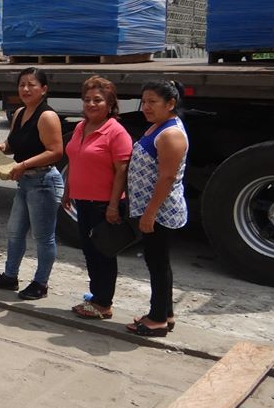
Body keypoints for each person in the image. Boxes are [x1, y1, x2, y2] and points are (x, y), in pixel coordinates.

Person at [0, 67, 64, 300]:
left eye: (31, 85)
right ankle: (10, 277)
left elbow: (56, 151)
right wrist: (3, 148)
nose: (26, 89)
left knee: (43, 237)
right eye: (22, 85)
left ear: (44, 89)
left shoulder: (47, 116)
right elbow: (14, 143)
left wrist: (24, 164)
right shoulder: (20, 113)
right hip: (25, 182)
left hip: (43, 182)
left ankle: (41, 283)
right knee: (15, 232)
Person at [62, 76, 132, 319]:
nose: (91, 104)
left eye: (98, 100)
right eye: (87, 99)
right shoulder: (81, 127)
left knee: (103, 253)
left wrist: (113, 205)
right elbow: (74, 160)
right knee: (90, 252)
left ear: (110, 104)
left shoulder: (116, 132)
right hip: (82, 201)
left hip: (103, 205)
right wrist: (67, 190)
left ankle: (104, 303)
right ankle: (96, 296)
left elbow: (122, 171)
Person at [125, 81, 188, 337]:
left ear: (170, 104)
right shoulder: (158, 126)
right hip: (151, 208)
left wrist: (150, 213)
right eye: (144, 101)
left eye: (153, 102)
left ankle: (157, 319)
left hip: (161, 211)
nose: (146, 107)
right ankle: (165, 313)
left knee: (158, 263)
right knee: (158, 261)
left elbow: (167, 177)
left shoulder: (171, 134)